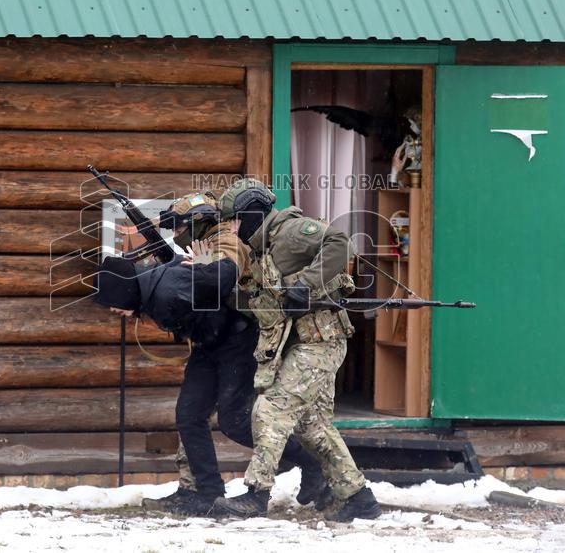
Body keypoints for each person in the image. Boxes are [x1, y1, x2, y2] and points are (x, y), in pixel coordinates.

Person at [93, 191, 327, 516]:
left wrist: (196, 270)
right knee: (189, 415)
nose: (175, 235)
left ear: (196, 222)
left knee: (236, 422)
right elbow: (177, 281)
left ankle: (312, 463)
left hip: (237, 342)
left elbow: (223, 272)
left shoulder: (224, 239)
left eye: (178, 227)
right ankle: (207, 492)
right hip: (210, 344)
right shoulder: (195, 251)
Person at [211, 178, 382, 522]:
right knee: (313, 428)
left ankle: (256, 494)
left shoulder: (289, 233)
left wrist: (305, 283)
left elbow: (338, 241)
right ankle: (359, 496)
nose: (230, 228)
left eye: (233, 221)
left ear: (250, 215)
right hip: (303, 344)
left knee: (270, 410)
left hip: (321, 341)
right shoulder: (261, 250)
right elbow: (264, 305)